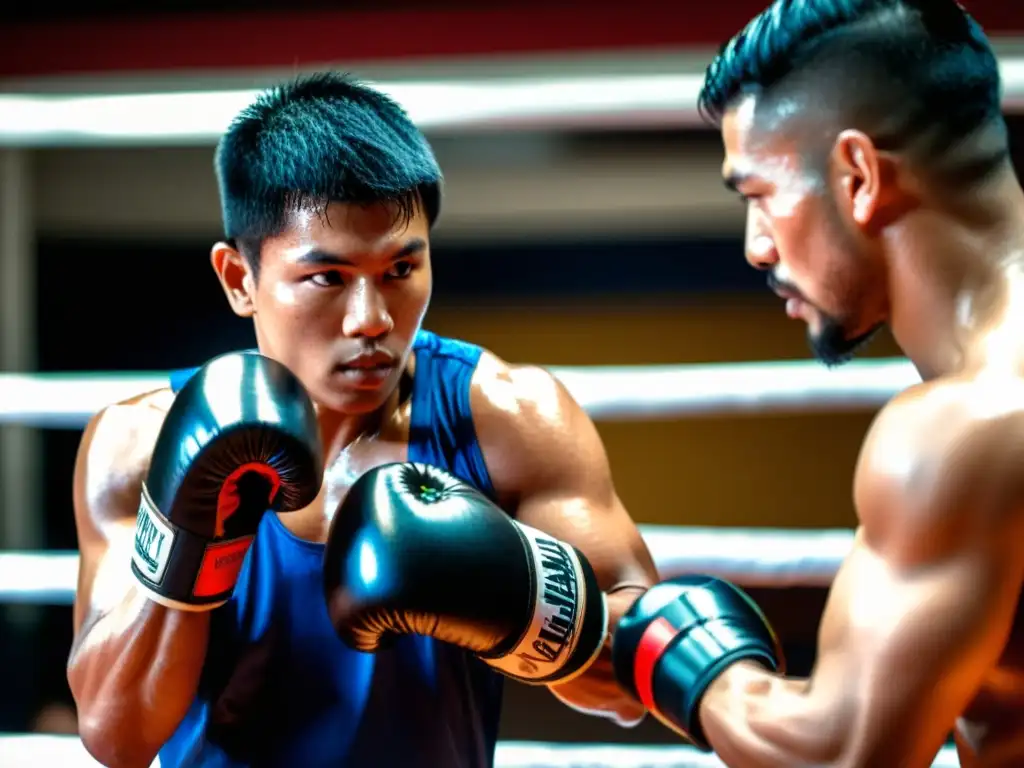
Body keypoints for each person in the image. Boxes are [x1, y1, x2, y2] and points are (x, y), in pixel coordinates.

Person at [66, 72, 658, 768]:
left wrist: (516, 599)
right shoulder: (139, 443)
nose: (372, 319)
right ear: (239, 280)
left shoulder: (507, 419)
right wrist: (191, 536)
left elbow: (636, 682)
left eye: (401, 269)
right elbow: (116, 735)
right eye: (328, 277)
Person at [611, 1, 1024, 767]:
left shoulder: (969, 428)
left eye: (759, 195)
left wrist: (673, 651)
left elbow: (838, 756)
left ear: (859, 176)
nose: (755, 248)